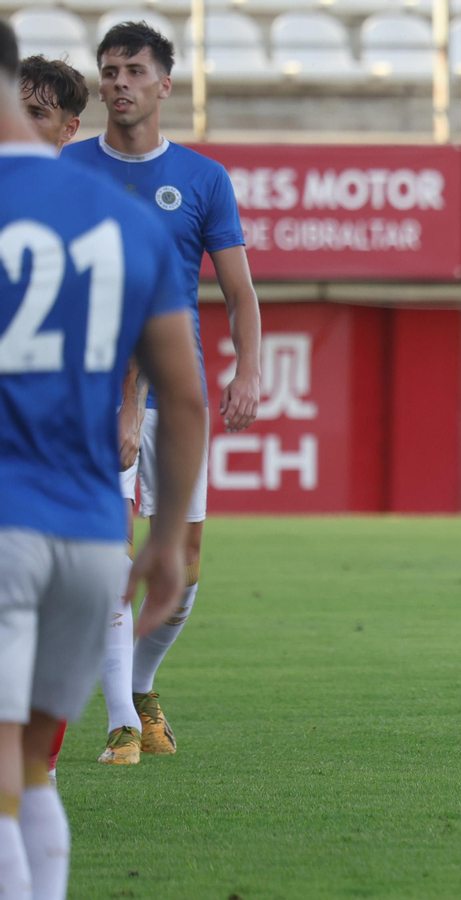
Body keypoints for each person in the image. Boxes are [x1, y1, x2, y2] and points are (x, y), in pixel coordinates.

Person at [0, 20, 208, 899]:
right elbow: (186, 394)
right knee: (32, 773)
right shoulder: (123, 220)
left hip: (5, 530)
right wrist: (163, 541)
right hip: (90, 541)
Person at [62, 21, 262, 765]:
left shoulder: (204, 178)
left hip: (175, 397)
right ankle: (119, 723)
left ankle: (142, 686)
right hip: (90, 394)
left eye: (134, 70)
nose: (118, 81)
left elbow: (238, 291)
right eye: (108, 70)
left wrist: (249, 368)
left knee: (184, 562)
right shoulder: (71, 166)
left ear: (163, 84)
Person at [13, 52, 145, 780]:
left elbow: (136, 332)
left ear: (69, 127)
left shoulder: (95, 215)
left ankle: (49, 768)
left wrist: (129, 410)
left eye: (36, 112)